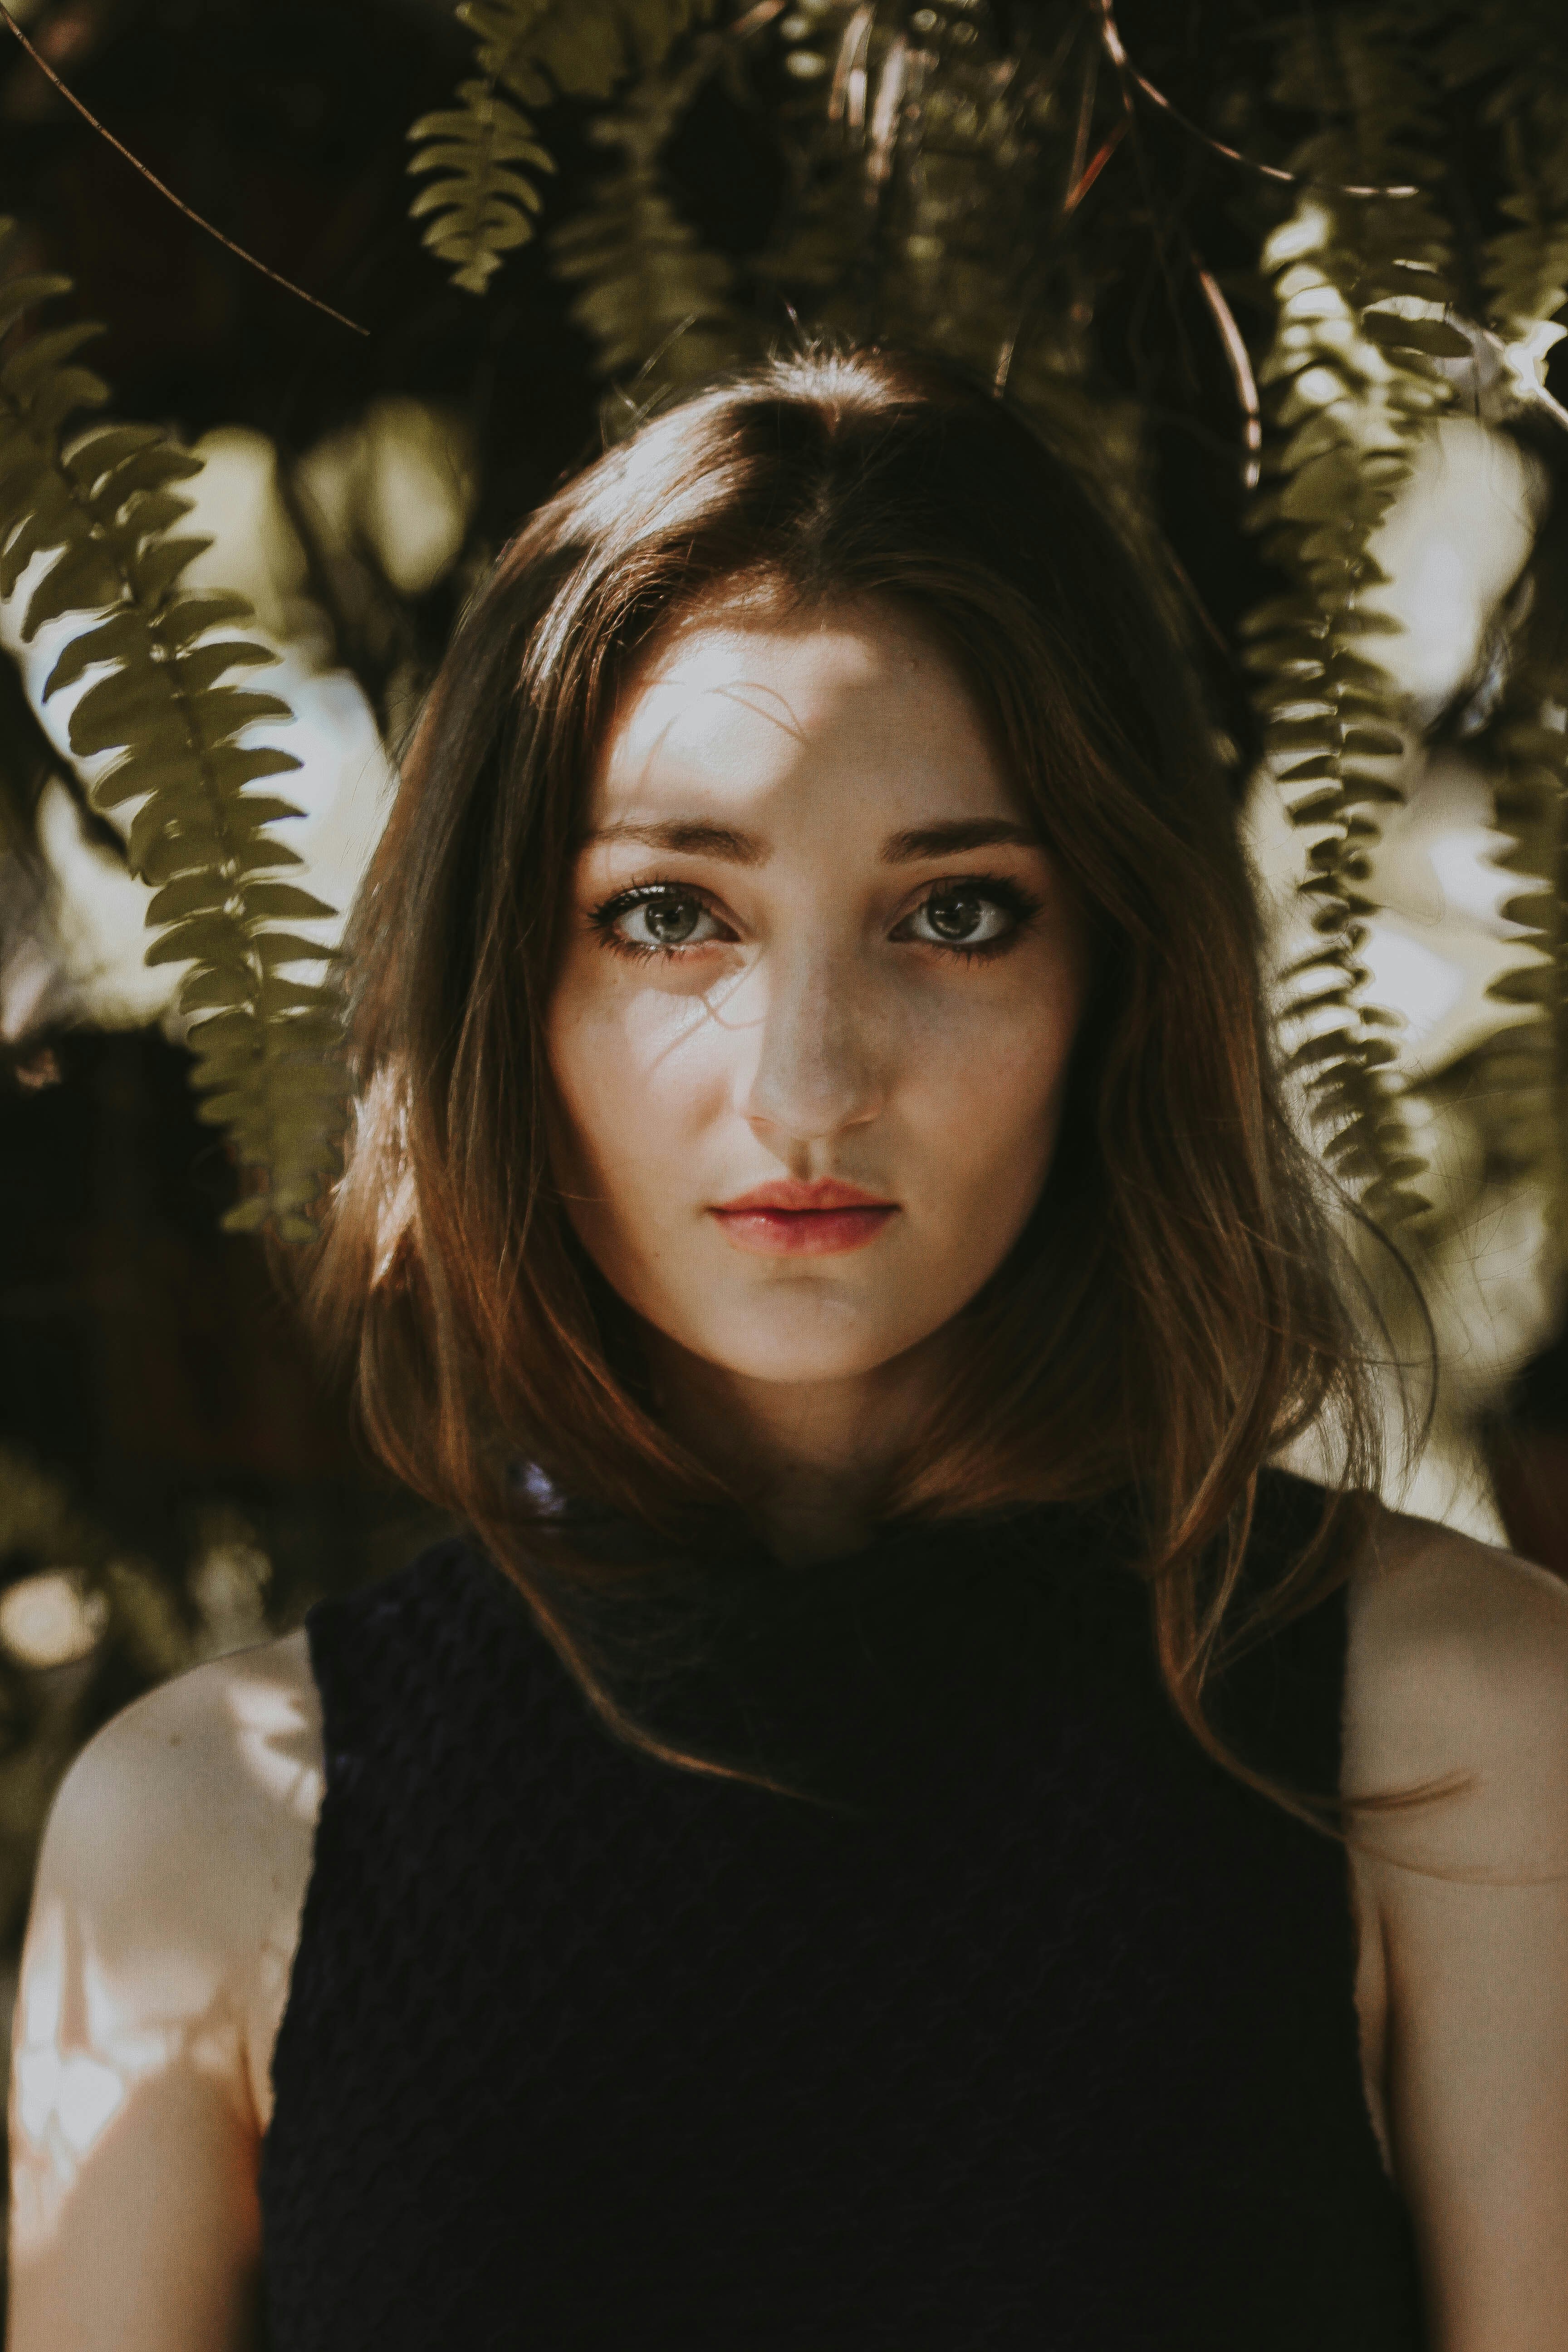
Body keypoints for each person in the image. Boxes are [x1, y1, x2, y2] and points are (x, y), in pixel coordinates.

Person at [9, 345, 1568, 2352]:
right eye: (671, 914)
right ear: (506, 989)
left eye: (960, 914)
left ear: (1118, 981)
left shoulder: (1465, 1741)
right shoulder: (205, 1831)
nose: (809, 1083)